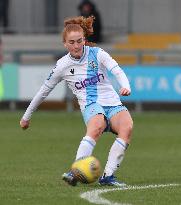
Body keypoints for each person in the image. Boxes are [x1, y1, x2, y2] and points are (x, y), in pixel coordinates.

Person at [19, 16, 133, 187]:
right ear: (65, 44)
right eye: (71, 42)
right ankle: (74, 171)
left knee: (127, 126)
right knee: (97, 126)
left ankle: (108, 176)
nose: (76, 45)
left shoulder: (98, 53)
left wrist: (125, 86)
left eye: (79, 41)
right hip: (91, 105)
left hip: (112, 102)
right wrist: (26, 117)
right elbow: (43, 92)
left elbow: (116, 70)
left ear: (84, 40)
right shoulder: (62, 65)